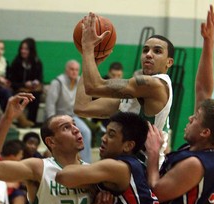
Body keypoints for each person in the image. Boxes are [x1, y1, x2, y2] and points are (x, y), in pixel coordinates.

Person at [145, 5, 214, 204]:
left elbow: (157, 191)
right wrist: (208, 42)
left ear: (206, 132)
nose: (190, 117)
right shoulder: (202, 148)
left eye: (195, 118)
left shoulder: (196, 164)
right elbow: (203, 90)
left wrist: (153, 154)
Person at [74, 12, 174, 166]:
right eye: (145, 50)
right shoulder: (133, 97)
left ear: (169, 62)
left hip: (142, 169)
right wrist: (92, 60)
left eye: (157, 51)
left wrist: (88, 49)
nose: (149, 54)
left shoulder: (155, 85)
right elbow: (82, 107)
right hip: (127, 165)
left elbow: (94, 86)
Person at [0, 93, 92, 204]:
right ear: (51, 141)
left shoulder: (91, 171)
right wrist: (7, 119)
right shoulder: (39, 168)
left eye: (74, 124)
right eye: (66, 127)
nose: (76, 129)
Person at [56, 111, 162, 204]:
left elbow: (63, 176)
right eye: (105, 133)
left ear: (128, 146)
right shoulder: (135, 165)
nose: (103, 138)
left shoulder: (119, 167)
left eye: (111, 135)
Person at [45, 60, 92, 163]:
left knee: (86, 132)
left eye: (76, 70)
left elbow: (85, 100)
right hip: (57, 117)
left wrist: (88, 118)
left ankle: (86, 163)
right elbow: (50, 103)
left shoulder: (80, 82)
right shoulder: (57, 82)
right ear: (66, 70)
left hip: (72, 117)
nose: (74, 72)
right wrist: (51, 122)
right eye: (71, 69)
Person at [8, 37, 43, 126]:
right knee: (21, 96)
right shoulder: (16, 63)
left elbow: (39, 78)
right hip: (18, 89)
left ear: (31, 50)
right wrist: (24, 84)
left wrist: (35, 82)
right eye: (22, 49)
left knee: (35, 97)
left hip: (32, 90)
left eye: (26, 49)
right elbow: (12, 82)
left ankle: (32, 122)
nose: (23, 51)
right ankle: (22, 121)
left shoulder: (37, 62)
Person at [0, 139, 27, 204]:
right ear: (12, 157)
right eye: (20, 154)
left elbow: (16, 184)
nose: (22, 157)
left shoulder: (18, 166)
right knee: (19, 196)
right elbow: (13, 184)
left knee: (21, 195)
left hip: (11, 193)